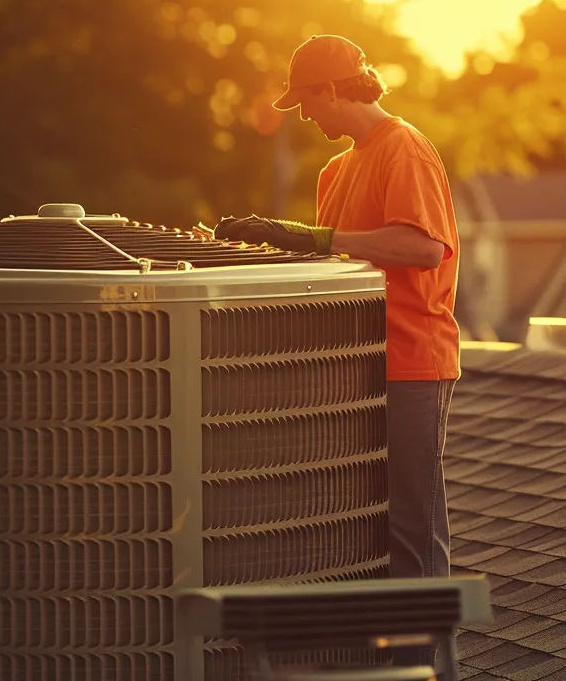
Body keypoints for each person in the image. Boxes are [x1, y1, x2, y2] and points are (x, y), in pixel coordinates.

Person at [213, 34, 460, 674]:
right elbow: (339, 264)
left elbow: (421, 248)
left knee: (410, 525)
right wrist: (267, 251)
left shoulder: (403, 149)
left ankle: (423, 669)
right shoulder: (336, 170)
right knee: (354, 523)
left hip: (409, 365)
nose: (305, 117)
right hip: (353, 372)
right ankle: (374, 663)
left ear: (330, 90)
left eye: (307, 104)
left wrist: (312, 237)